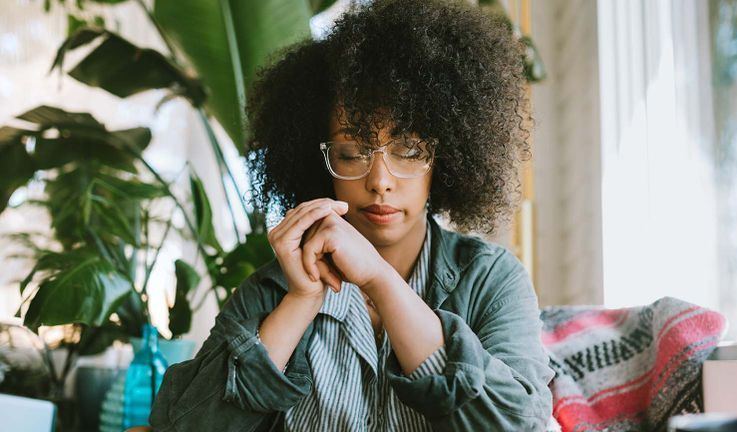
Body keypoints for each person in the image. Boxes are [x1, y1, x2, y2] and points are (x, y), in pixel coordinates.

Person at [149, 0, 555, 430]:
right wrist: (299, 301)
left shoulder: (490, 279)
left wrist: (381, 282)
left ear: (447, 158)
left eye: (409, 150)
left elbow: (518, 424)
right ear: (319, 158)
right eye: (351, 152)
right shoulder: (275, 288)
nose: (380, 180)